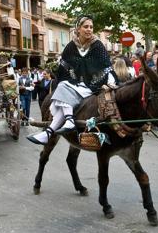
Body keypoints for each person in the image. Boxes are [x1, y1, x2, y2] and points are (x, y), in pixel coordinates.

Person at [27, 15, 115, 145]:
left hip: (94, 84)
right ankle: (56, 128)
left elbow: (107, 67)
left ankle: (53, 129)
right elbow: (64, 69)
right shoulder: (71, 47)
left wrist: (105, 82)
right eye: (86, 26)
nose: (89, 29)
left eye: (91, 27)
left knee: (62, 87)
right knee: (62, 85)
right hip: (77, 84)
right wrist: (71, 79)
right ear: (78, 29)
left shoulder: (97, 46)